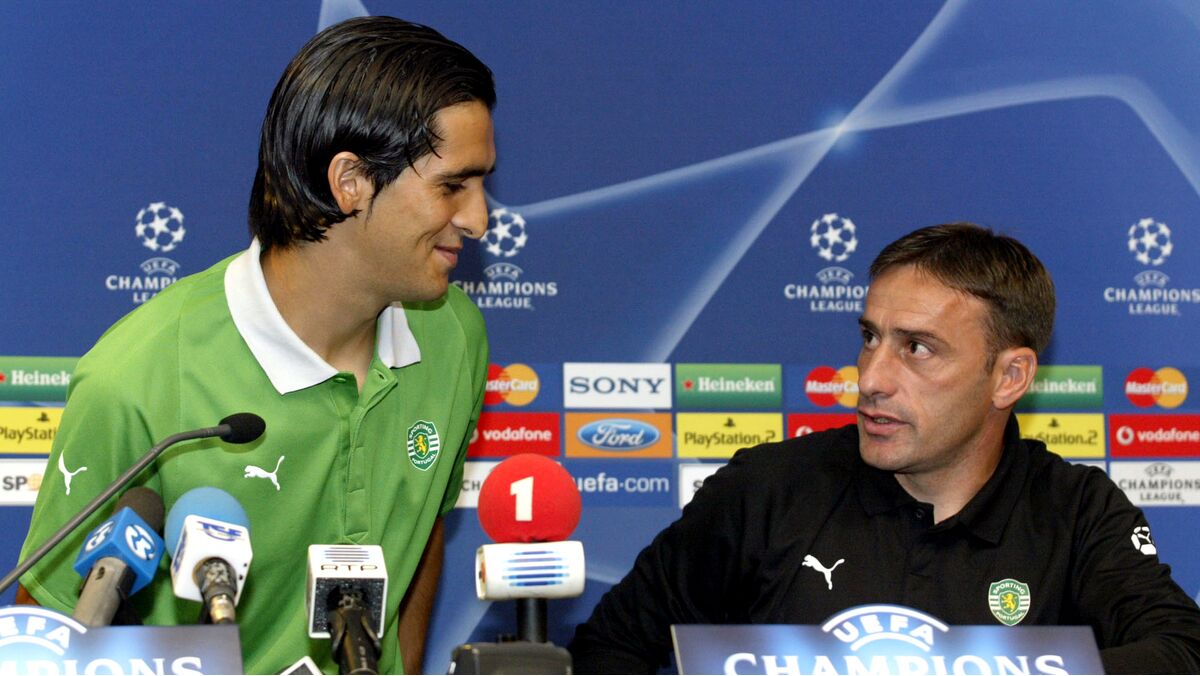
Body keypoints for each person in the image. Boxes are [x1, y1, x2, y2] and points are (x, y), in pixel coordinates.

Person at [18, 16, 495, 675]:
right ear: (350, 181)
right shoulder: (136, 379)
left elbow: (425, 525)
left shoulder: (454, 335)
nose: (479, 219)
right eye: (452, 186)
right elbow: (47, 636)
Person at [569, 223, 1200, 674]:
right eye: (870, 338)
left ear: (1010, 377)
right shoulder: (769, 489)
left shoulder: (1076, 511)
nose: (871, 377)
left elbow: (1181, 651)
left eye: (917, 348)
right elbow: (611, 647)